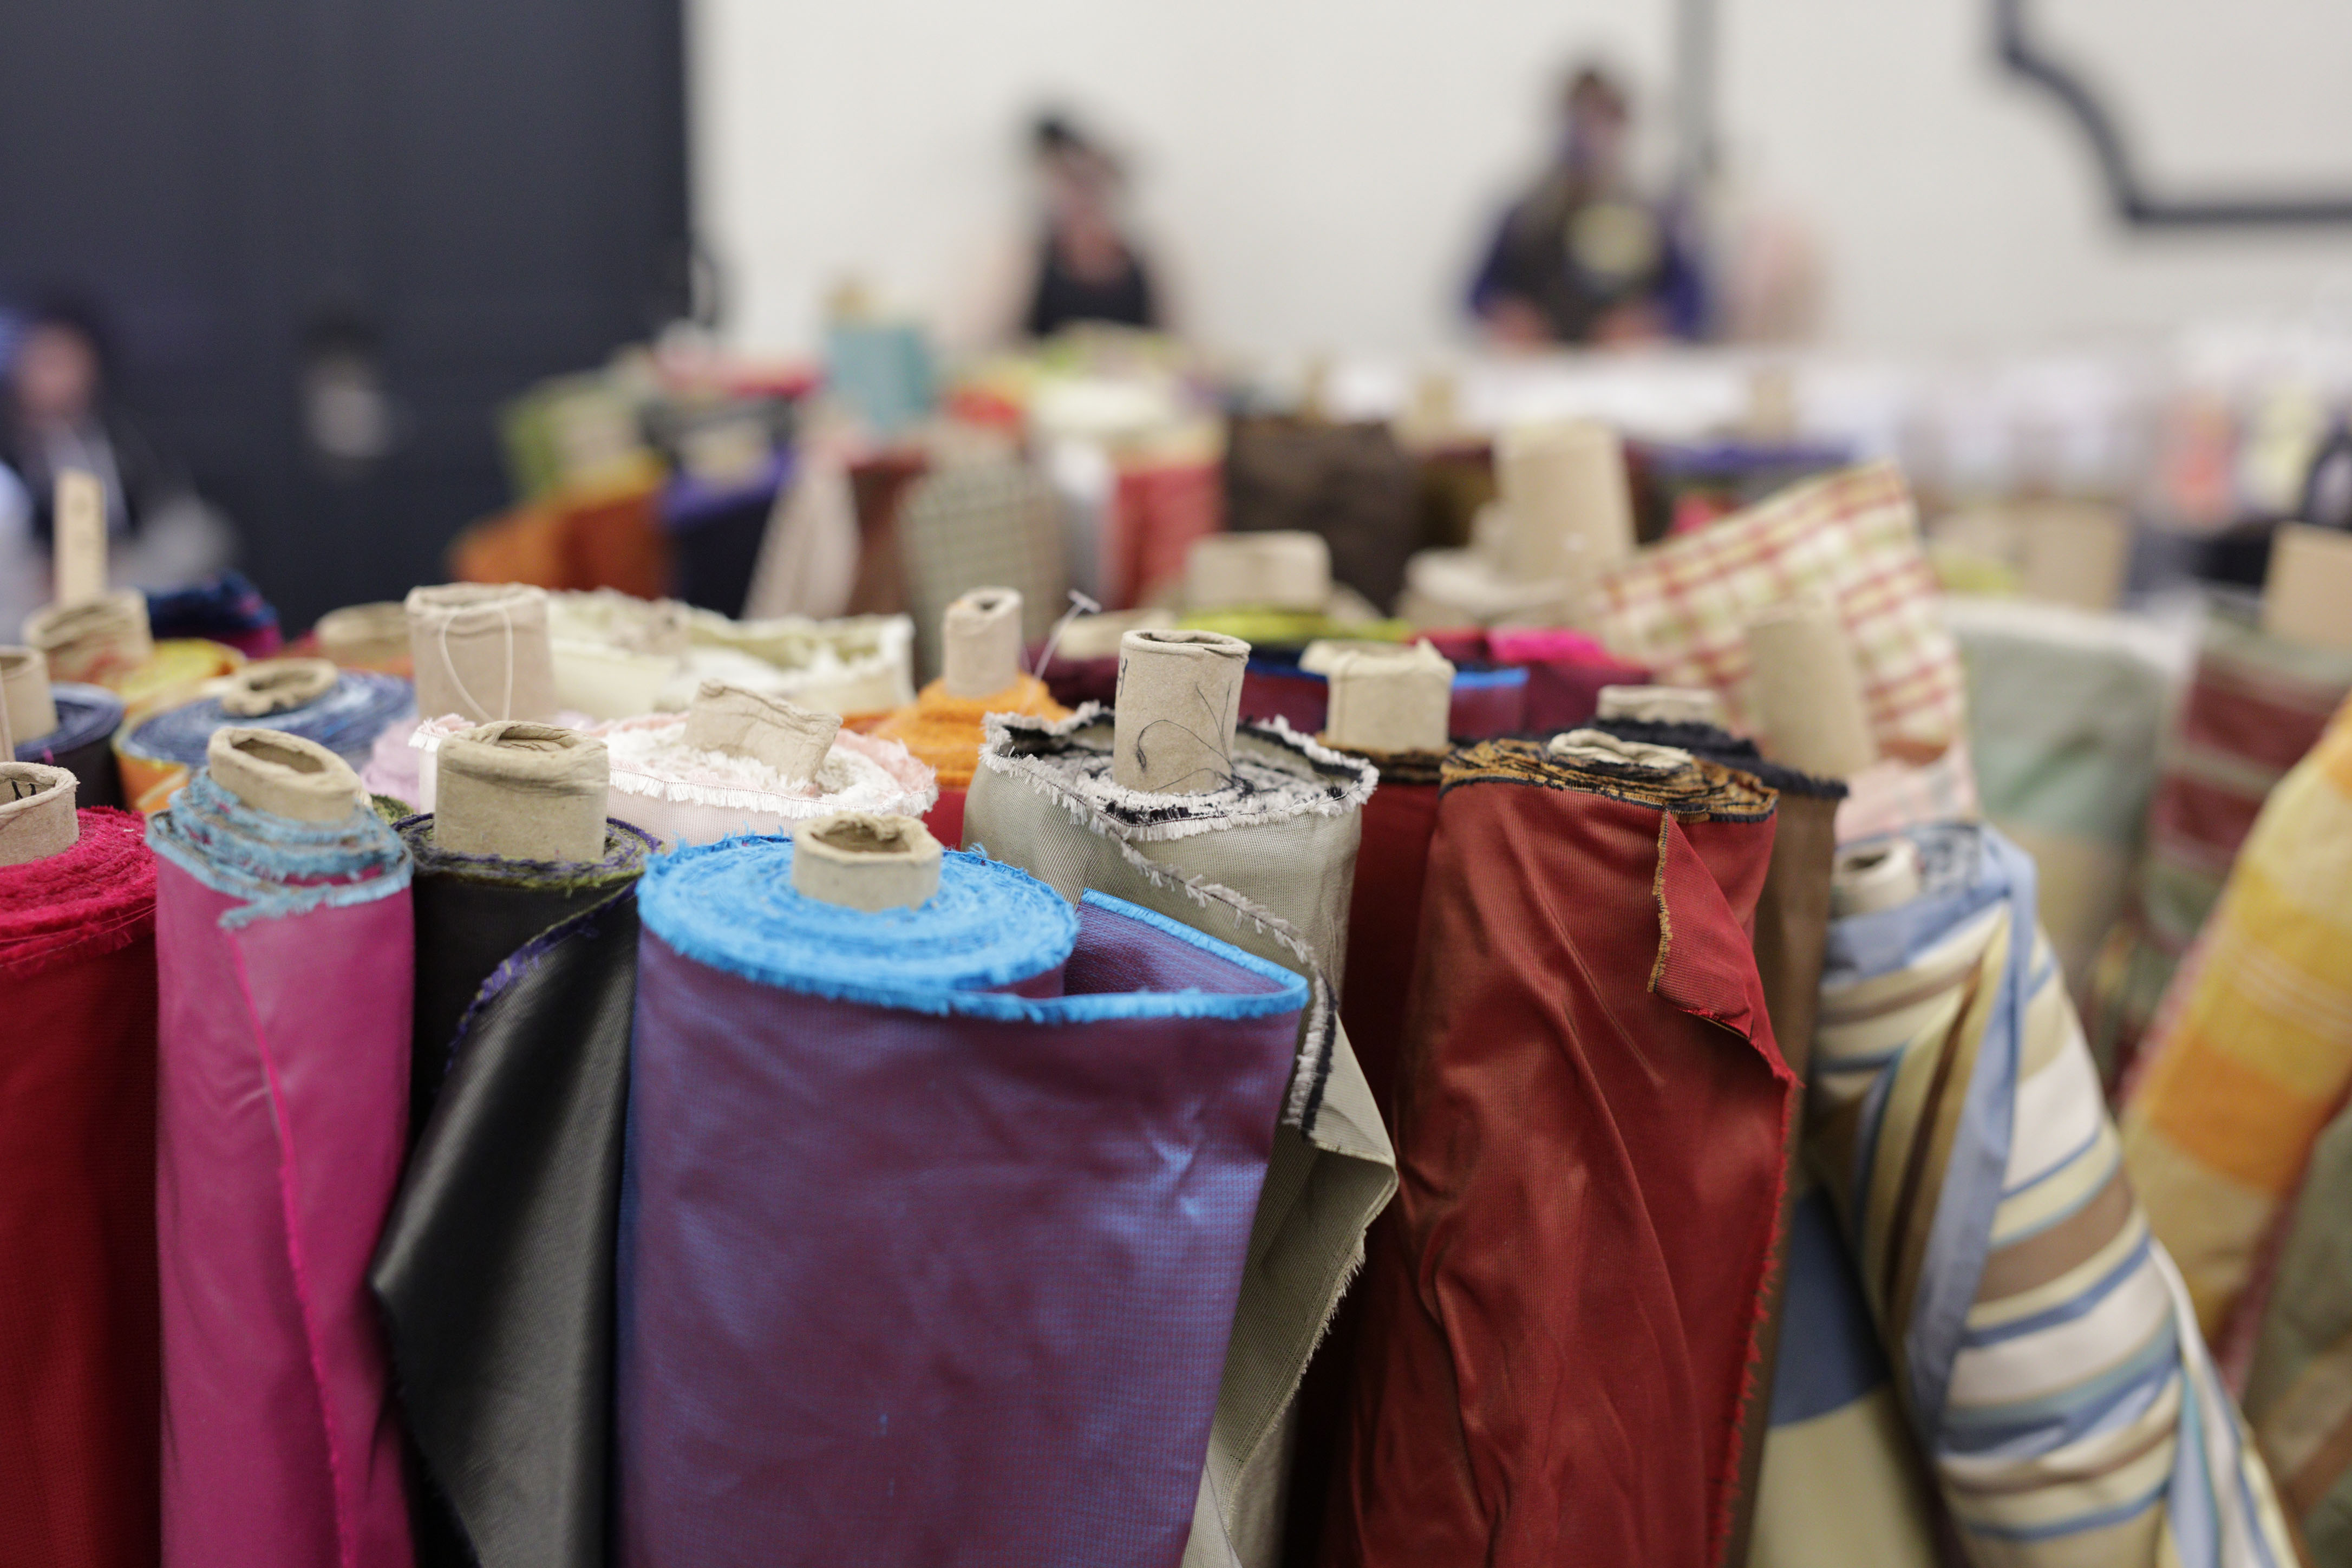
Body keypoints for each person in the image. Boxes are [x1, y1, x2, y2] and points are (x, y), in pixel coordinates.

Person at [0, 296, 233, 630]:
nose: (61, 379)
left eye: (71, 362)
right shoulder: (12, 449)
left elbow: (169, 508)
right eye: (47, 363)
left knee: (199, 535)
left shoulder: (125, 435)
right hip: (40, 593)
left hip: (129, 571)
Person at [1467, 64, 1705, 348]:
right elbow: (1476, 292)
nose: (1590, 136)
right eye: (1580, 121)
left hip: (1626, 370)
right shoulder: (1529, 214)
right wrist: (1508, 315)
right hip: (1541, 366)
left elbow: (1694, 298)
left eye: (1603, 120)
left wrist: (1653, 319)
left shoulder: (1651, 212)